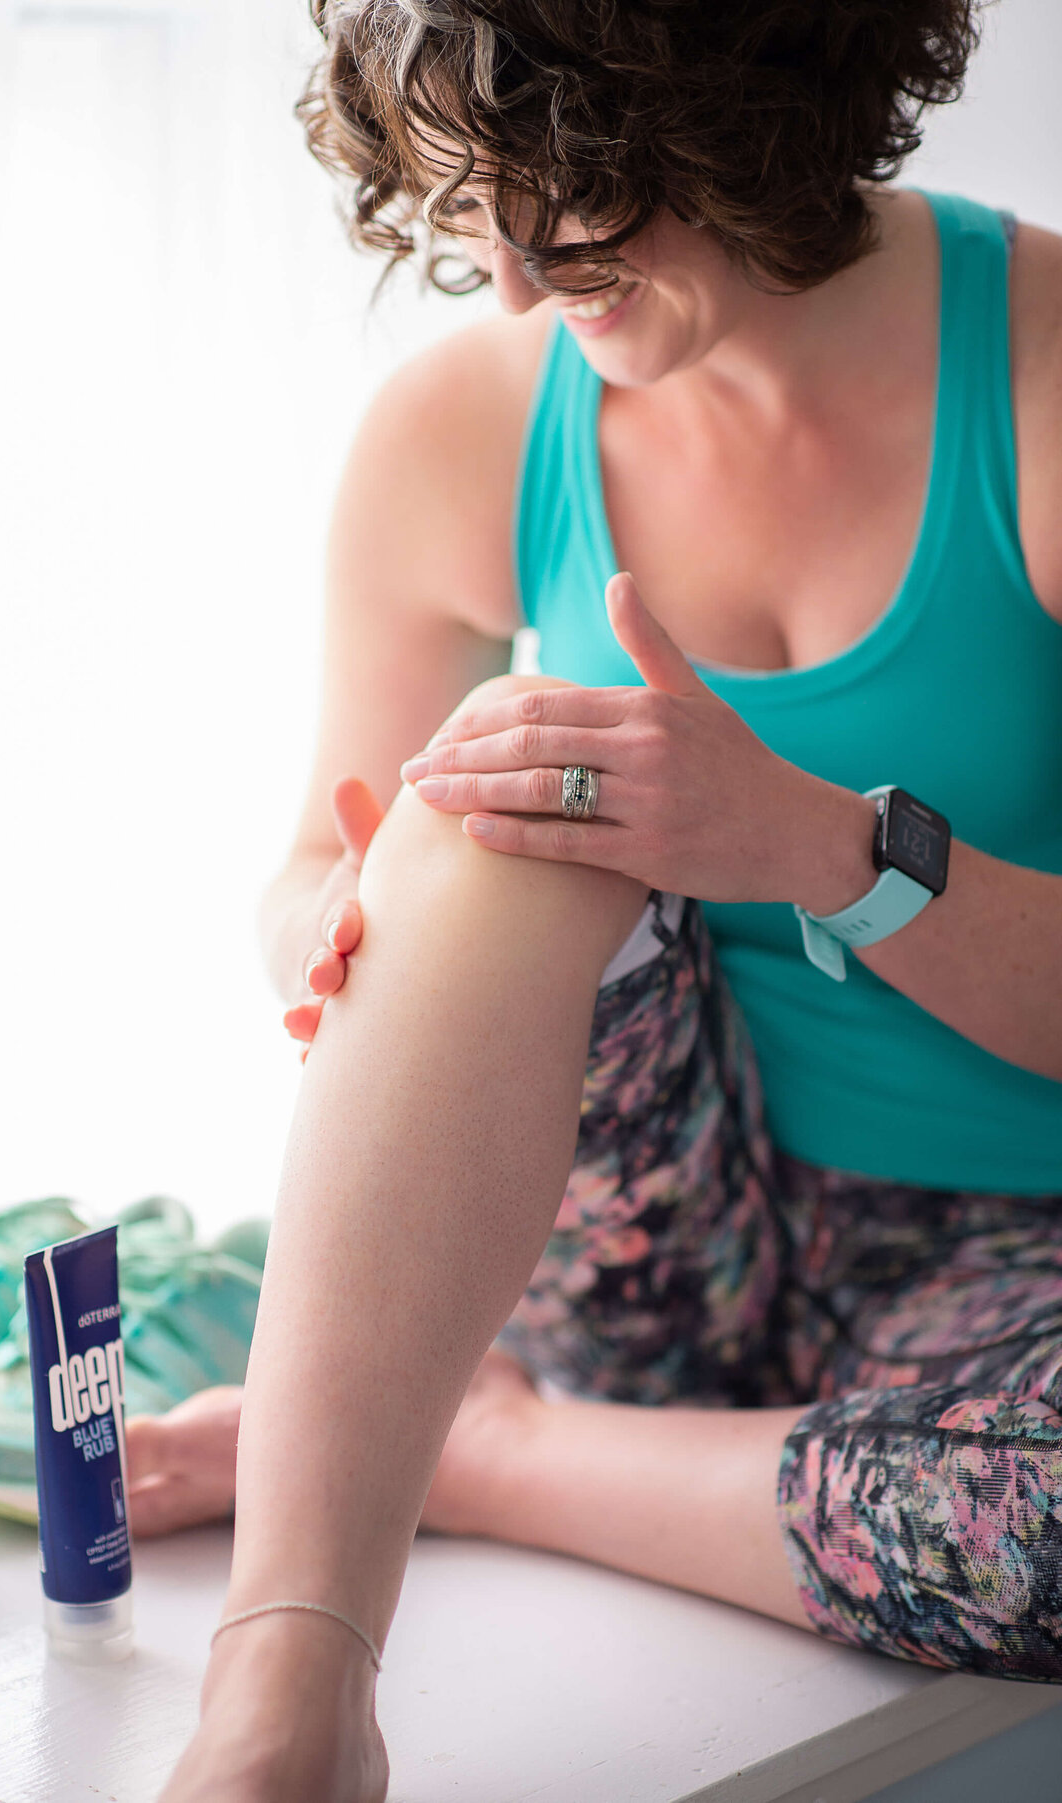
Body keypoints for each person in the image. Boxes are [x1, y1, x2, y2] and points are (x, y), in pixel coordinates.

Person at [138, 2, 1062, 1797]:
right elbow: (310, 859)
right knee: (509, 784)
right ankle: (289, 1686)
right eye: (471, 207)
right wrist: (346, 920)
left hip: (1014, 1264)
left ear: (740, 103)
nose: (499, 285)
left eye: (559, 202)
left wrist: (812, 843)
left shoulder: (1043, 376)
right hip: (637, 1247)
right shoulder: (464, 428)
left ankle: (497, 1456)